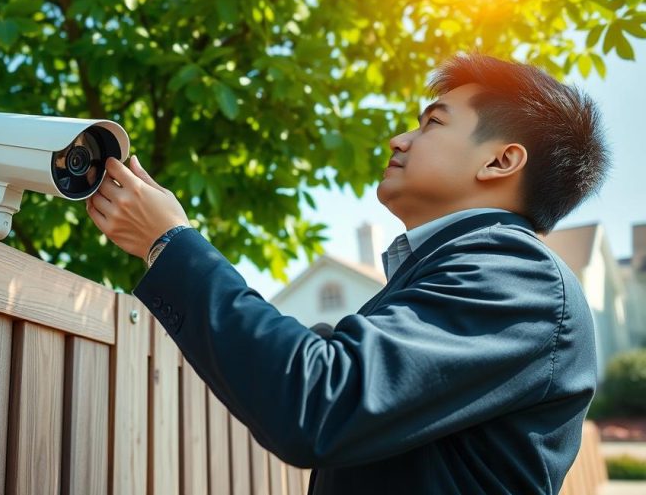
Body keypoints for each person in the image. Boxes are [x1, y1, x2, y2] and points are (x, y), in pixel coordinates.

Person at [86, 53, 610, 494]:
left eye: (433, 123)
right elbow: (309, 367)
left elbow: (315, 399)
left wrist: (172, 244)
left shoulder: (520, 278)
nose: (399, 140)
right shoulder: (461, 273)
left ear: (500, 162)